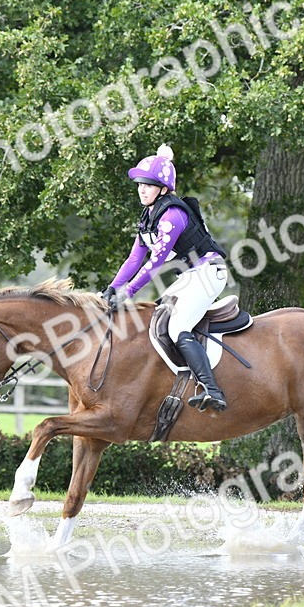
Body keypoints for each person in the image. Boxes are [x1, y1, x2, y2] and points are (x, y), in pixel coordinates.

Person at [101, 144, 230, 411]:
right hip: (192, 274)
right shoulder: (148, 216)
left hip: (209, 272)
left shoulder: (172, 215)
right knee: (159, 315)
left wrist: (130, 292)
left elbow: (155, 262)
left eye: (148, 185)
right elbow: (135, 258)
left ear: (163, 189)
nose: (141, 189)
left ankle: (213, 390)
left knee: (177, 326)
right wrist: (112, 288)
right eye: (139, 184)